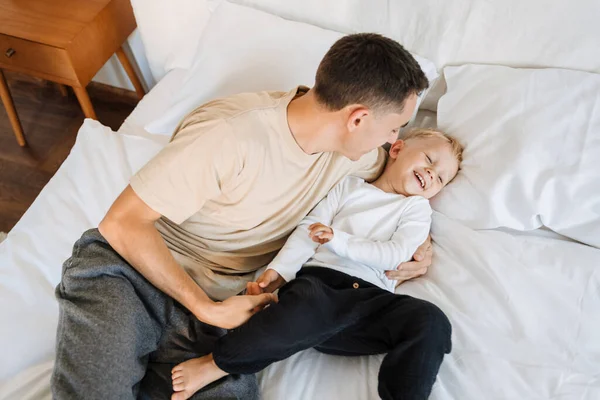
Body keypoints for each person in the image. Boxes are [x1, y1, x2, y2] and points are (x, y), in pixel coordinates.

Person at [51, 33, 433, 399]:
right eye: (394, 127)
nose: (391, 140)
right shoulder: (228, 136)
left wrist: (417, 242)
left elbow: (398, 181)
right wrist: (205, 307)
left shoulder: (357, 153)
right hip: (133, 273)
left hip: (221, 310)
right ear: (358, 118)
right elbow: (122, 222)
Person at [170, 128, 463, 400]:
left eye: (440, 177)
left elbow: (394, 253)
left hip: (371, 300)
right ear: (397, 148)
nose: (431, 173)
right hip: (321, 285)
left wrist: (338, 240)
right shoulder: (349, 186)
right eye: (429, 159)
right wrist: (279, 272)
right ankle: (217, 363)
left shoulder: (417, 209)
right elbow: (309, 230)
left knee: (431, 320)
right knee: (300, 305)